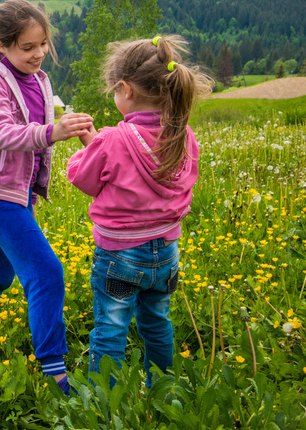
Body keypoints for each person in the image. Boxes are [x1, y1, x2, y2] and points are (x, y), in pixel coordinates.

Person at [0, 0, 94, 395]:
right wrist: (54, 132)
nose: (38, 54)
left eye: (43, 44)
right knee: (46, 273)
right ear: (2, 45)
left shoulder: (37, 79)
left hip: (16, 192)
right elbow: (3, 134)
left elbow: (39, 123)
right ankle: (55, 371)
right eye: (27, 47)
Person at [66, 35, 212, 386]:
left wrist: (89, 146)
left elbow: (83, 178)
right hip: (166, 253)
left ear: (125, 89)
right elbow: (181, 179)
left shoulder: (112, 139)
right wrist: (99, 145)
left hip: (120, 256)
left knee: (111, 330)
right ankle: (161, 389)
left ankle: (107, 403)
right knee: (158, 323)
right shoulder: (183, 134)